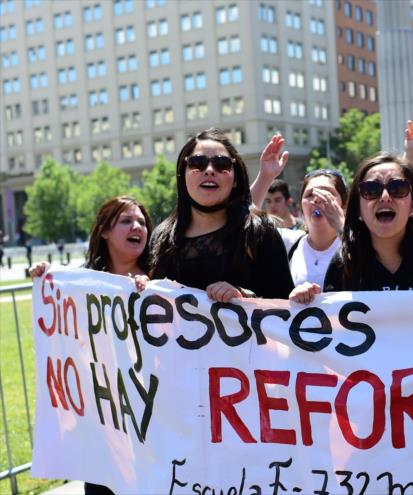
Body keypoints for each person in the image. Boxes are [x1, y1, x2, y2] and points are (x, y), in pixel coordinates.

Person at [30, 195, 153, 495]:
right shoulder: (81, 284)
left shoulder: (162, 279)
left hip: (150, 421)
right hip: (102, 425)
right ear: (104, 232)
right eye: (126, 221)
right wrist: (47, 278)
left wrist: (155, 290)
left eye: (141, 222)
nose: (136, 226)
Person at [290, 153, 413, 306]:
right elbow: (331, 333)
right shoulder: (343, 263)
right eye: (371, 190)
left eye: (397, 187)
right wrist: (305, 304)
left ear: (412, 207)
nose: (385, 197)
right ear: (358, 211)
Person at [150, 128, 293, 300]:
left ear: (235, 179)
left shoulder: (260, 233)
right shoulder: (161, 238)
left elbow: (285, 309)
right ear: (183, 174)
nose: (209, 170)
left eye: (222, 164)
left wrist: (244, 297)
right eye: (197, 162)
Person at [287, 169, 347, 286]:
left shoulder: (359, 243)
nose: (317, 199)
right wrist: (265, 176)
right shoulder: (289, 243)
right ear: (302, 209)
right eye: (310, 195)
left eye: (327, 194)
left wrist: (340, 224)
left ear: (344, 205)